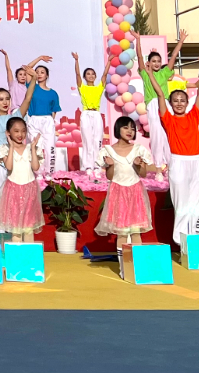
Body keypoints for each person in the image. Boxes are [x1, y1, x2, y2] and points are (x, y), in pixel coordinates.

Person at [140, 44, 199, 251]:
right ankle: (180, 238)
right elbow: (160, 95)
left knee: (197, 202)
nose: (179, 103)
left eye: (182, 100)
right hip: (178, 162)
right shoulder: (168, 119)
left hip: (196, 162)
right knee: (181, 203)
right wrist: (150, 75)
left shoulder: (194, 115)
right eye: (175, 100)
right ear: (171, 104)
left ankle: (196, 237)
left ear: (187, 103)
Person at [0, 66, 34, 237]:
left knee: (15, 203)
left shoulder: (16, 117)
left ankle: (14, 238)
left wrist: (33, 79)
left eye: (7, 99)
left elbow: (27, 99)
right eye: (0, 99)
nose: (5, 102)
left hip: (16, 166)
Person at [94, 116, 153, 256]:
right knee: (122, 233)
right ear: (117, 129)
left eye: (132, 128)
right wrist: (110, 165)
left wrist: (138, 165)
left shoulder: (138, 149)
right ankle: (123, 263)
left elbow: (143, 174)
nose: (130, 131)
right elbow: (110, 177)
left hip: (135, 192)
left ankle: (137, 262)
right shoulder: (108, 150)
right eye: (126, 127)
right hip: (118, 192)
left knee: (135, 231)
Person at [0, 117, 45, 242]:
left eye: (23, 131)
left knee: (28, 227)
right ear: (8, 133)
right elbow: (9, 166)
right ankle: (16, 253)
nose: (20, 134)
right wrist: (11, 147)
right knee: (15, 228)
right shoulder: (5, 149)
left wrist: (33, 148)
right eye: (16, 131)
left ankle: (28, 252)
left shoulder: (31, 148)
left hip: (29, 189)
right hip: (13, 189)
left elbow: (35, 167)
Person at [139, 30, 187, 182]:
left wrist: (181, 41)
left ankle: (171, 167)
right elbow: (139, 57)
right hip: (153, 104)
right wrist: (138, 40)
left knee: (168, 135)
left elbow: (174, 56)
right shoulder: (145, 74)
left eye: (159, 61)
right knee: (156, 137)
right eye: (153, 61)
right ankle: (158, 169)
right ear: (149, 63)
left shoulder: (165, 72)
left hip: (165, 104)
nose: (157, 63)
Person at [74, 52, 110, 181]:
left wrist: (109, 61)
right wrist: (77, 61)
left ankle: (97, 166)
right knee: (87, 141)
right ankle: (88, 166)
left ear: (95, 76)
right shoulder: (82, 87)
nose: (90, 75)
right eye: (88, 74)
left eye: (92, 74)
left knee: (97, 140)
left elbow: (105, 75)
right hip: (86, 114)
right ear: (85, 77)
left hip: (96, 114)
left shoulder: (99, 87)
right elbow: (77, 75)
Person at [22, 56, 59, 179]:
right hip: (34, 120)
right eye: (37, 72)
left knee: (49, 147)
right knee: (36, 146)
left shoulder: (53, 93)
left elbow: (54, 110)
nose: (39, 74)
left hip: (47, 120)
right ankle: (37, 172)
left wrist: (51, 121)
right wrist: (40, 58)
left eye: (42, 72)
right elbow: (27, 68)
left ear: (47, 75)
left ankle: (49, 173)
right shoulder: (32, 87)